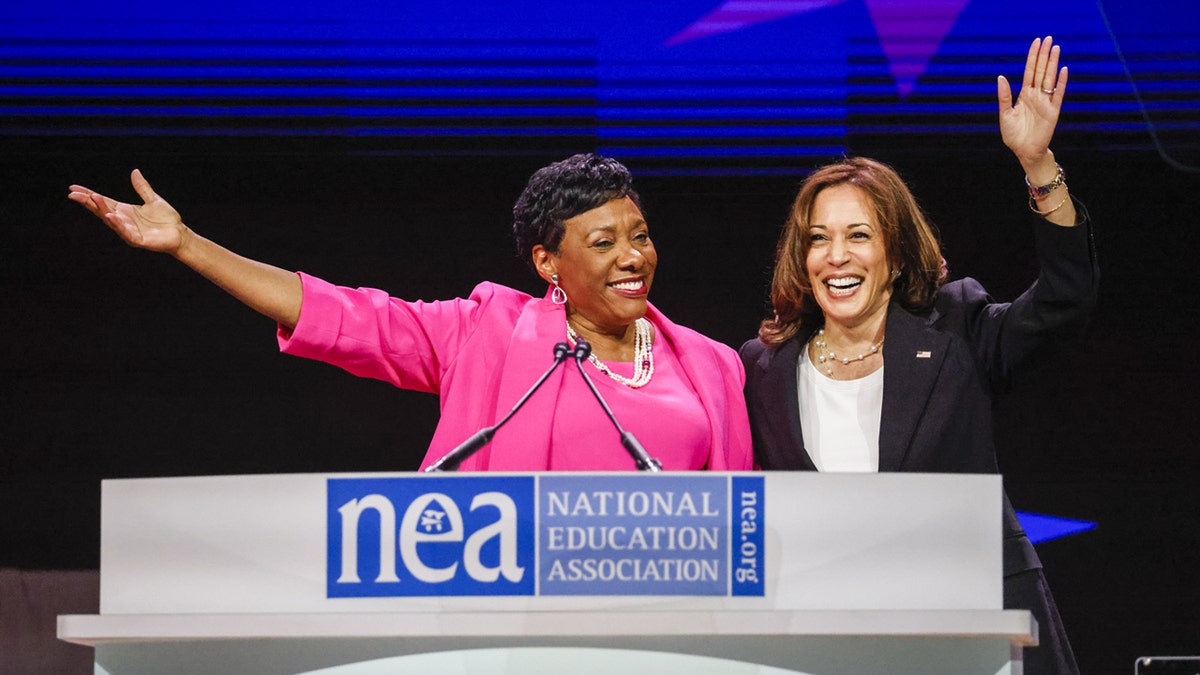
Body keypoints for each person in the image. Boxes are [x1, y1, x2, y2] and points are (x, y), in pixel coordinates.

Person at [739, 37, 1095, 674]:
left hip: (979, 624)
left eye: (859, 236)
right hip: (836, 639)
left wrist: (1039, 168)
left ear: (896, 254)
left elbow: (1067, 298)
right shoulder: (764, 368)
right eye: (819, 239)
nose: (837, 256)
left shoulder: (957, 328)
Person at [69, 153, 753, 472]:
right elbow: (343, 317)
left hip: (667, 623)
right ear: (548, 263)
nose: (632, 256)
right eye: (603, 243)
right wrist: (188, 245)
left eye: (639, 236)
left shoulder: (710, 365)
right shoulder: (486, 331)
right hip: (507, 617)